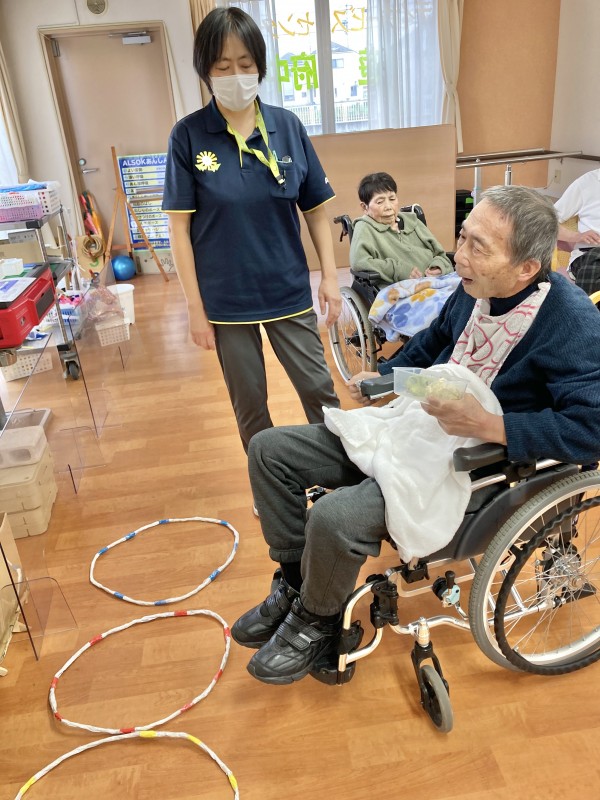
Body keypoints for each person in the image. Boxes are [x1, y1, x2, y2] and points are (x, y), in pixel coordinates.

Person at [231, 185, 600, 685]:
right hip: (419, 424)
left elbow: (592, 427)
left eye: (477, 247)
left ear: (526, 268)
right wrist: (386, 375)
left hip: (481, 463)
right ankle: (297, 587)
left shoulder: (571, 321)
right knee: (268, 451)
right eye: (462, 238)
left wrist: (491, 425)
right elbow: (435, 340)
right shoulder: (472, 288)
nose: (459, 255)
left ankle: (317, 620)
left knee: (335, 518)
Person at [162, 7, 341, 453]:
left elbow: (316, 211)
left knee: (320, 393)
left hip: (287, 288)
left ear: (260, 65)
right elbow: (179, 231)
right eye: (223, 66)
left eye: (246, 64)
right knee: (250, 407)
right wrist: (194, 309)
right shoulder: (188, 136)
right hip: (226, 302)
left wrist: (330, 278)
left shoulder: (287, 126)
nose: (236, 76)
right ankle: (273, 482)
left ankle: (342, 473)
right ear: (206, 70)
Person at [349, 172, 454, 287]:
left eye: (392, 199)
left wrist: (439, 266)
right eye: (380, 202)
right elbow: (359, 262)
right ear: (365, 207)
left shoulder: (412, 221)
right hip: (401, 288)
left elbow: (440, 254)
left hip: (436, 282)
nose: (388, 207)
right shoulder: (364, 227)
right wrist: (399, 270)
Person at [554, 168, 600, 295]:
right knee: (596, 256)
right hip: (589, 255)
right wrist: (577, 236)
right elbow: (546, 221)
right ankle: (586, 307)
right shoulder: (587, 183)